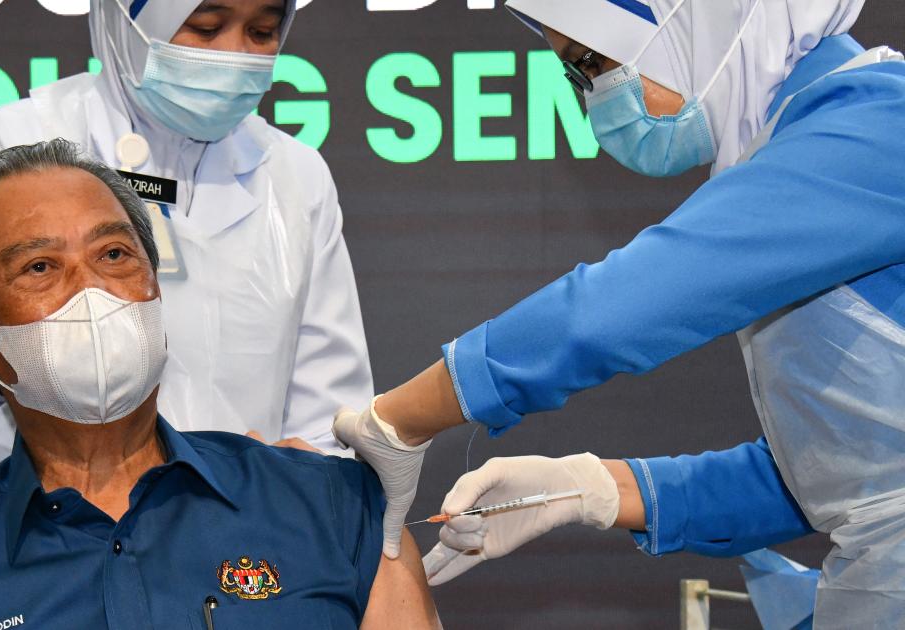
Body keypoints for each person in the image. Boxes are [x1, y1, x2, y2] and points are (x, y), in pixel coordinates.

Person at [333, 0, 905, 625]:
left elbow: (610, 313)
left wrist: (399, 418)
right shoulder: (803, 141)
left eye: (592, 62)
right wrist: (588, 489)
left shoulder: (875, 125)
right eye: (575, 76)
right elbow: (824, 480)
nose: (595, 100)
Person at [0, 140, 437, 629]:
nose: (91, 290)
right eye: (40, 267)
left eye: (114, 254)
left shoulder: (331, 507)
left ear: (155, 289)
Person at [0, 0, 373, 502]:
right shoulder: (17, 143)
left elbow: (330, 411)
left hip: (251, 522)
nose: (235, 53)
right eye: (205, 27)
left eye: (262, 31)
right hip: (52, 528)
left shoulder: (295, 174)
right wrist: (118, 500)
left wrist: (277, 490)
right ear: (126, 19)